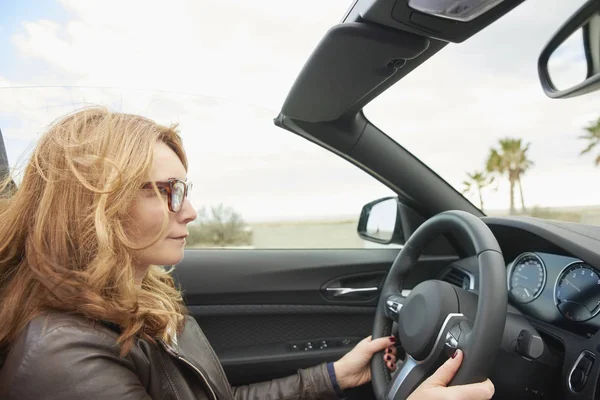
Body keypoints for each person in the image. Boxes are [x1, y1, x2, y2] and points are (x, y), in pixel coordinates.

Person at [0, 108, 494, 399]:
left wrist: (332, 376)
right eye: (168, 191)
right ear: (95, 206)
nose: (190, 211)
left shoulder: (139, 297)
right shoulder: (61, 359)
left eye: (184, 189)